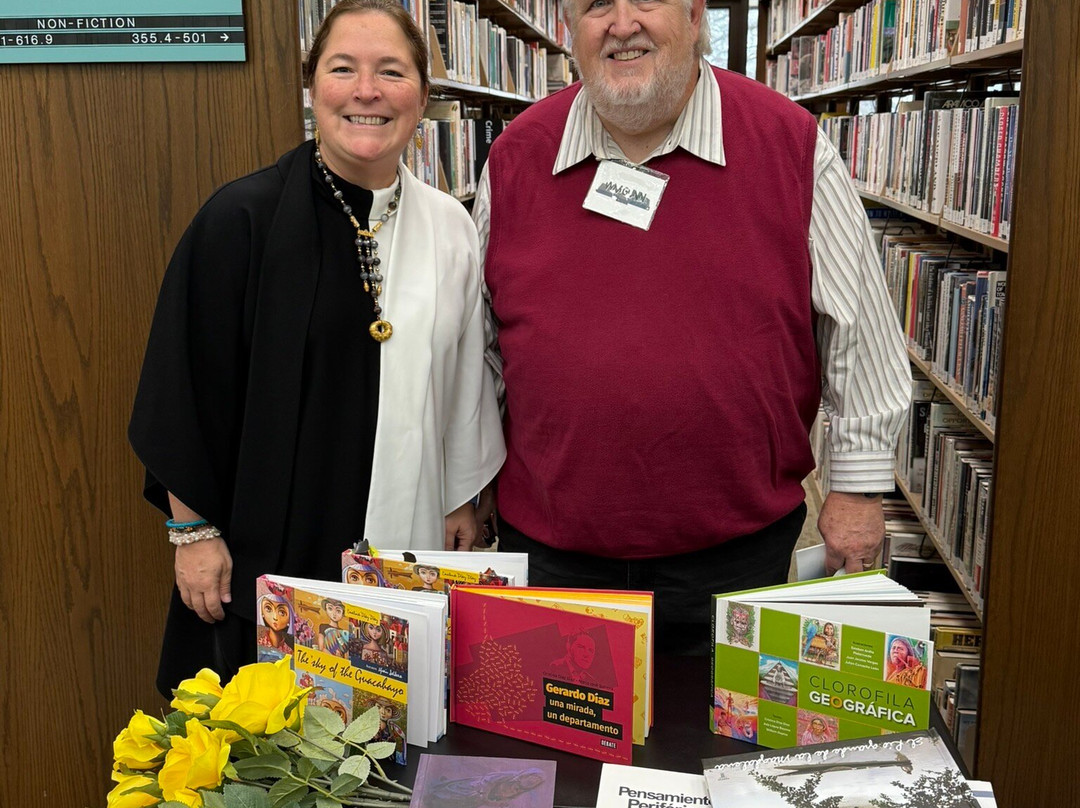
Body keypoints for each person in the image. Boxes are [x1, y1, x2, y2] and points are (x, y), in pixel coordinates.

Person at [472, 0, 910, 653]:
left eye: (645, 0)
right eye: (595, 6)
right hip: (552, 555)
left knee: (717, 750)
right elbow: (480, 347)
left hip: (732, 558)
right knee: (560, 749)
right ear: (569, 29)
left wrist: (857, 490)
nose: (622, 24)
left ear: (696, 15)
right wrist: (470, 487)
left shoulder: (788, 144)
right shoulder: (515, 159)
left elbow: (859, 327)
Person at [129, 0, 505, 697]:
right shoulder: (242, 219)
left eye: (391, 72)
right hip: (274, 544)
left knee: (400, 736)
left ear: (423, 96)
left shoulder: (451, 226)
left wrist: (463, 499)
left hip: (410, 528)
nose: (366, 91)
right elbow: (186, 385)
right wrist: (195, 535)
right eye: (343, 69)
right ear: (312, 86)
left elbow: (462, 376)